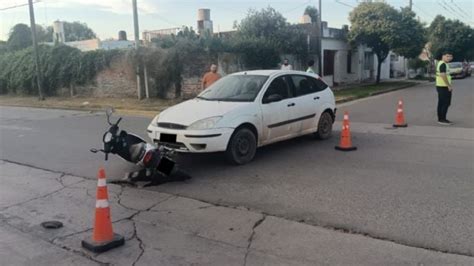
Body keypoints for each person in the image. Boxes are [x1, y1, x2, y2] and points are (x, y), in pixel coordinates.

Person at [435, 51, 454, 125]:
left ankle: (441, 118)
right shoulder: (443, 64)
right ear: (443, 56)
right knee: (445, 103)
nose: (449, 58)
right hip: (443, 87)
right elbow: (443, 75)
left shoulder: (443, 63)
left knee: (441, 103)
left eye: (450, 56)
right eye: (447, 56)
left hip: (441, 86)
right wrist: (448, 85)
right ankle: (442, 119)